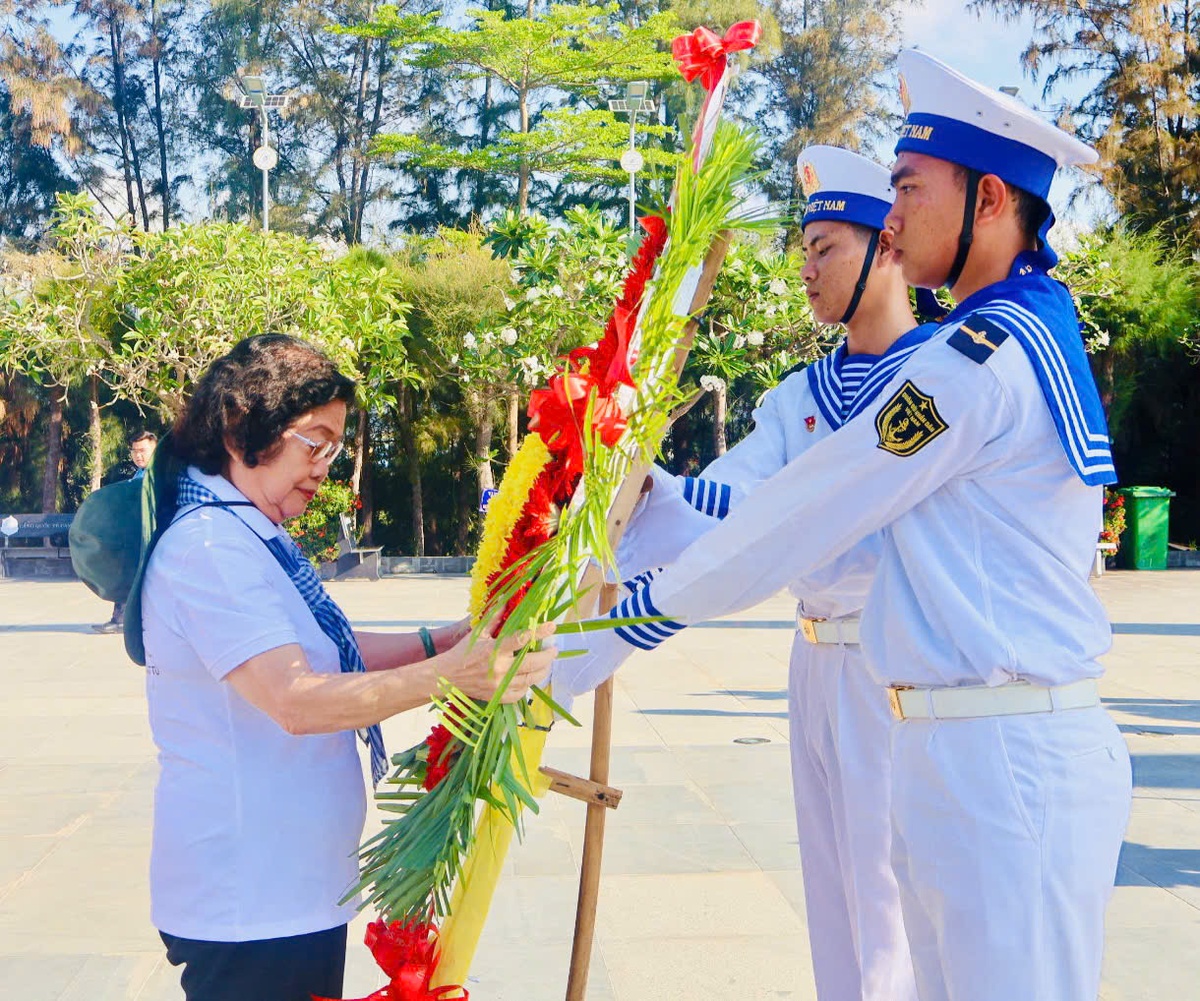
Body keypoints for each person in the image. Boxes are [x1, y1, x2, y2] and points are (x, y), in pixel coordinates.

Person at [554, 49, 1131, 1001]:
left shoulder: (977, 361)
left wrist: (605, 629)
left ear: (989, 199)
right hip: (962, 743)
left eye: (907, 188)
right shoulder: (996, 337)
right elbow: (775, 500)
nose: (892, 217)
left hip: (1002, 756)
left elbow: (803, 512)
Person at [139, 334, 556, 1001]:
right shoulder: (210, 548)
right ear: (242, 428)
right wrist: (455, 675)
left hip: (286, 893)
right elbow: (295, 697)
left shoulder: (243, 531)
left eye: (333, 449)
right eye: (315, 443)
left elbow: (322, 650)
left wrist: (446, 641)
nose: (323, 467)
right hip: (252, 904)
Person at [606, 146, 930, 1001]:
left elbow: (820, 508)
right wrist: (650, 493)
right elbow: (738, 494)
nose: (807, 270)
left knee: (888, 897)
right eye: (803, 250)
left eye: (826, 248)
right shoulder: (800, 395)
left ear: (887, 246)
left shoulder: (938, 373)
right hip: (815, 657)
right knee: (831, 893)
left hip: (895, 660)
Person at [92, 430, 157, 634]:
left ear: (155, 449)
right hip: (134, 537)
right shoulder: (139, 474)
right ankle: (122, 619)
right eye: (134, 451)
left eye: (143, 450)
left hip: (149, 538)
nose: (138, 455)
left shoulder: (157, 475)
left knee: (131, 577)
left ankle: (123, 620)